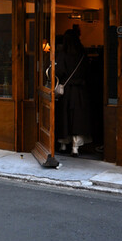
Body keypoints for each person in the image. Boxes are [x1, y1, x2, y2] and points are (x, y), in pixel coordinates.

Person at [55, 28, 92, 156]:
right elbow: (88, 71)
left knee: (64, 117)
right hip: (80, 91)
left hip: (66, 91)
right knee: (78, 118)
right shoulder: (82, 54)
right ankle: (75, 147)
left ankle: (63, 144)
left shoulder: (62, 54)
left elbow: (59, 71)